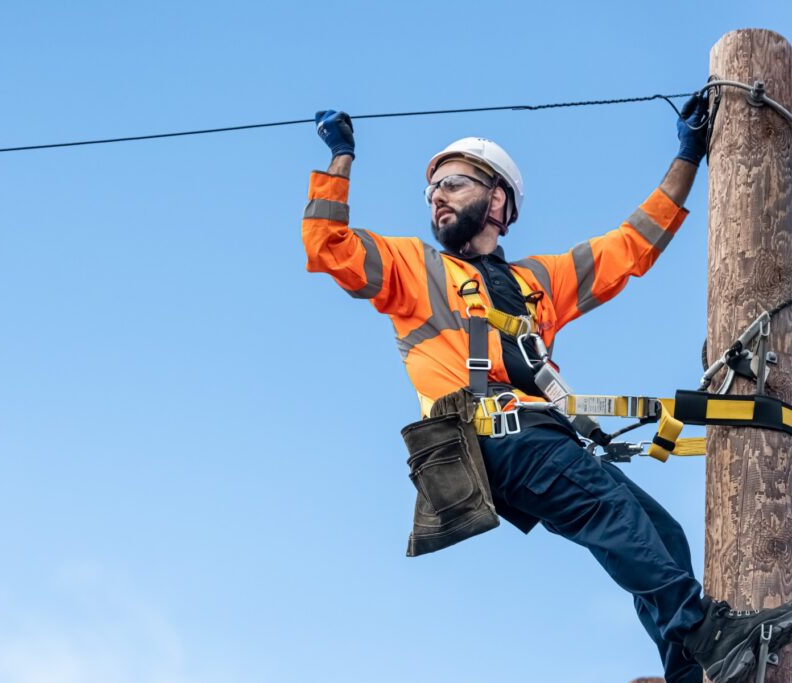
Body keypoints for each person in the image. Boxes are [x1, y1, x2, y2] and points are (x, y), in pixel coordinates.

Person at [301, 99, 792, 683]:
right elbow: (327, 244)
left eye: (453, 183)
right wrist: (341, 156)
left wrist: (688, 155)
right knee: (611, 513)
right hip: (493, 439)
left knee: (661, 533)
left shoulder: (537, 282)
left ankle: (690, 671)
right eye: (431, 187)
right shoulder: (414, 270)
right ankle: (708, 632)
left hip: (543, 438)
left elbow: (630, 246)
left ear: (498, 200)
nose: (436, 194)